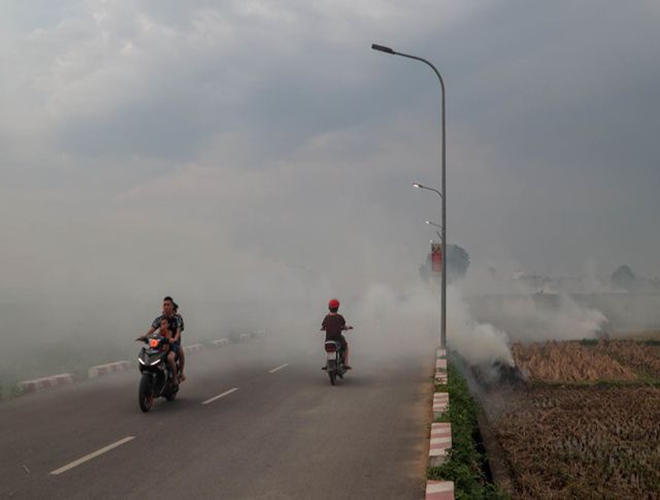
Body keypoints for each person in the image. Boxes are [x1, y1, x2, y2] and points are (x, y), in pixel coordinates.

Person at [138, 296, 184, 382]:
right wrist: (144, 336)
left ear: (172, 306)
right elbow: (152, 329)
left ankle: (177, 376)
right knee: (146, 357)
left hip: (173, 343)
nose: (166, 307)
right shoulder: (159, 319)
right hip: (161, 343)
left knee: (172, 357)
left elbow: (178, 331)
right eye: (164, 305)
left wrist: (175, 339)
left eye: (168, 305)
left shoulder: (177, 318)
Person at [320, 298, 353, 369]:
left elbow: (323, 327)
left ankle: (326, 364)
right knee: (346, 348)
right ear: (337, 308)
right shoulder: (340, 317)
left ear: (329, 307)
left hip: (328, 339)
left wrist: (324, 328)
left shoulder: (326, 317)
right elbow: (344, 327)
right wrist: (348, 327)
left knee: (329, 350)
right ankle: (345, 364)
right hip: (338, 339)